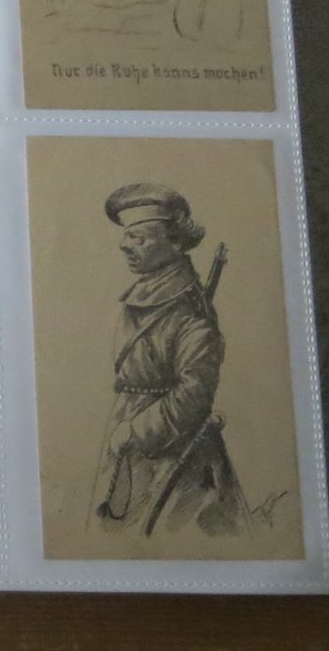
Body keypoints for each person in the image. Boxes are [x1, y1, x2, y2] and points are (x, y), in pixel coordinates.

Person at [91, 183, 248, 538]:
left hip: (175, 458)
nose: (124, 245)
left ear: (175, 242)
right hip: (131, 451)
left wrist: (136, 430)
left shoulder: (190, 310)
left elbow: (195, 391)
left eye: (139, 238)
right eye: (126, 236)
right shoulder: (147, 294)